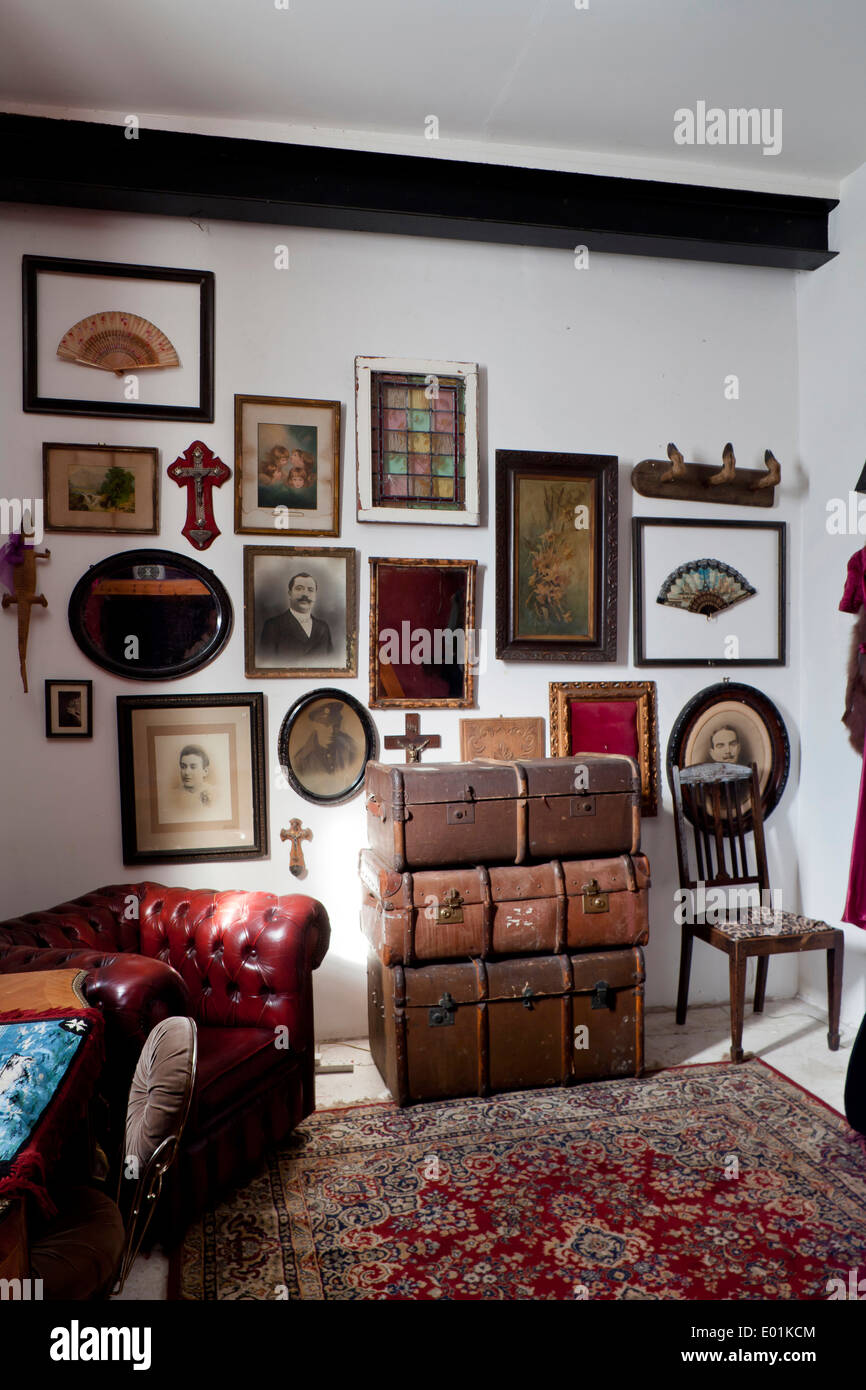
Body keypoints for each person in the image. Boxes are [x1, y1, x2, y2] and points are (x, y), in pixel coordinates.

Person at [259, 572, 332, 661]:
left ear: (315, 596)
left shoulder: (323, 627)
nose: (305, 594)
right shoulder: (272, 626)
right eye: (299, 589)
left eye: (310, 590)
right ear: (290, 594)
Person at [294, 701, 357, 780]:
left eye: (336, 726)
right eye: (326, 725)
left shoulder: (351, 747)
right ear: (315, 725)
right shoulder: (301, 759)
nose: (331, 731)